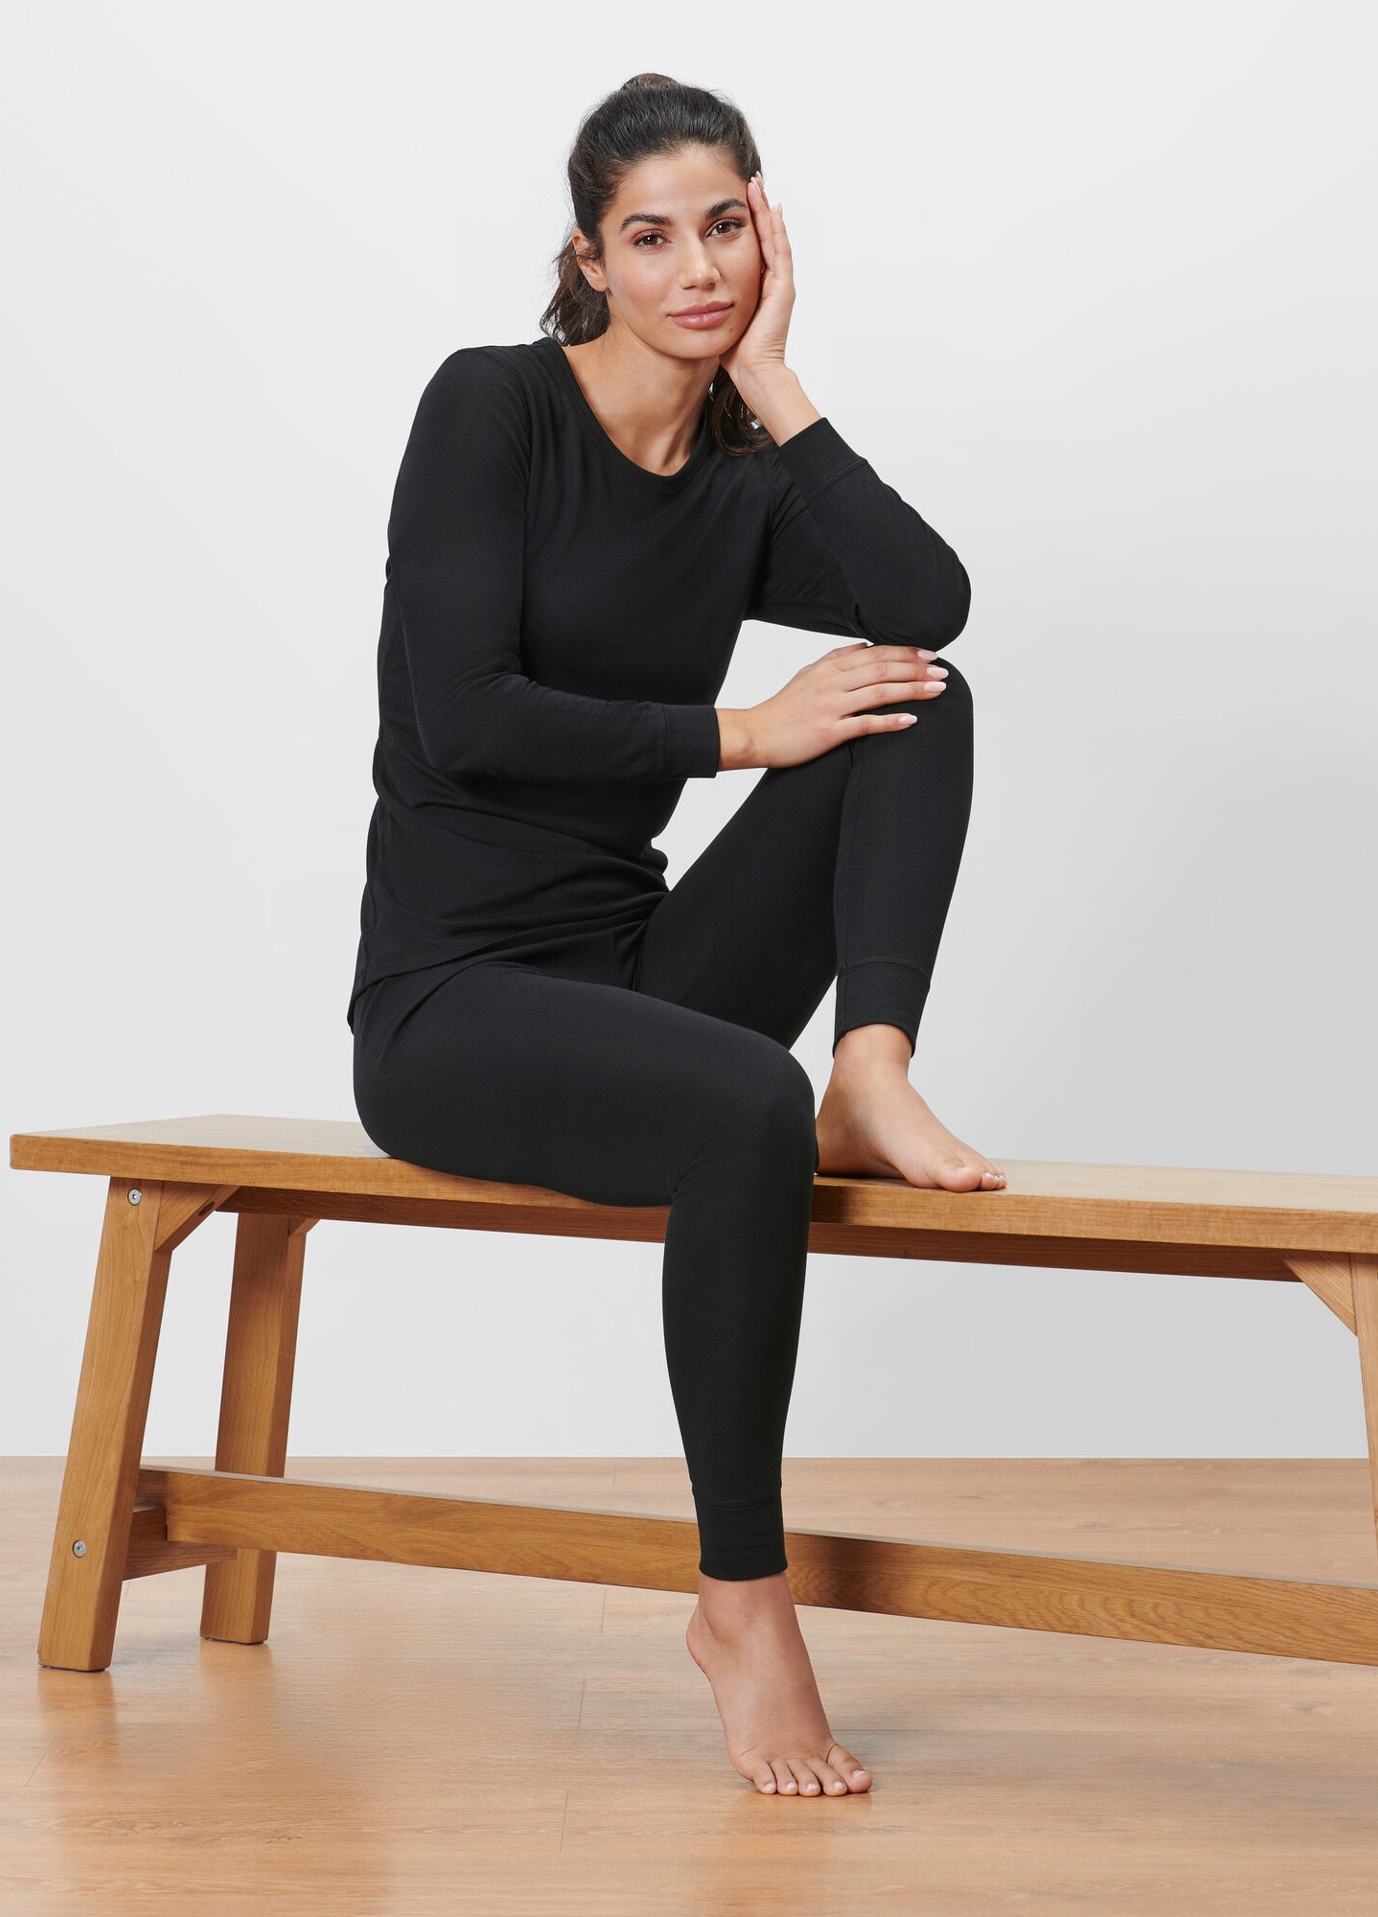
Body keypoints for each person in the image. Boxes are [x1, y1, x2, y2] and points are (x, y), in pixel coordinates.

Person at [347, 74, 1001, 1800]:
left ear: (764, 231)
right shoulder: (490, 410)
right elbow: (464, 710)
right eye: (654, 237)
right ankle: (741, 1601)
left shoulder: (736, 472)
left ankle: (872, 1063)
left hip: (632, 972)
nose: (695, 266)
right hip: (452, 1007)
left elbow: (923, 603)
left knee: (912, 703)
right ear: (592, 259)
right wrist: (735, 729)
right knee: (734, 1104)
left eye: (727, 225)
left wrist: (777, 381)